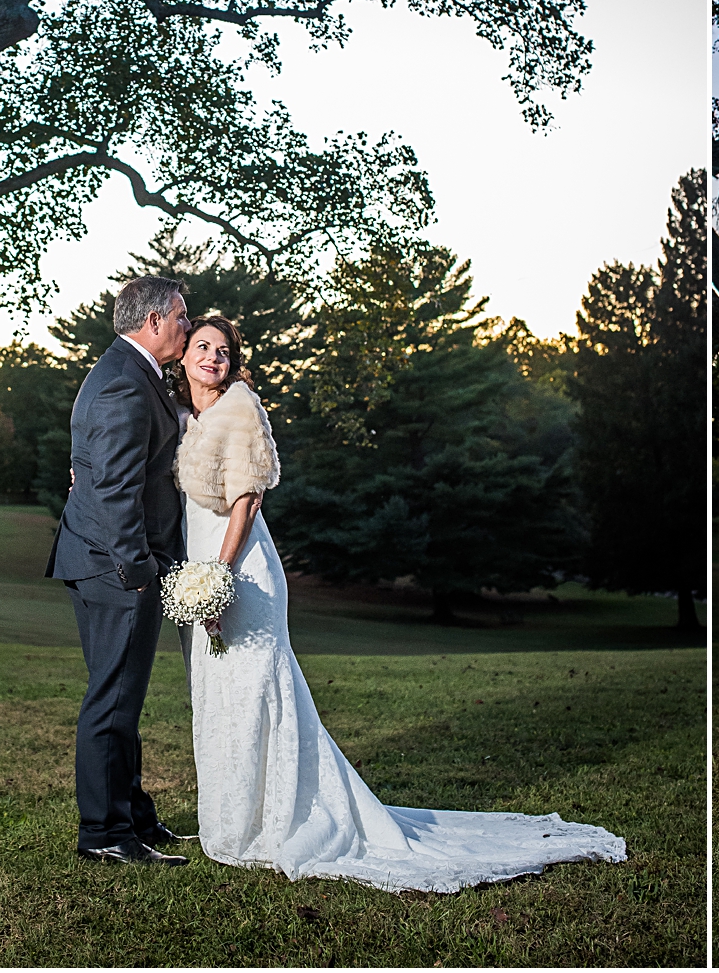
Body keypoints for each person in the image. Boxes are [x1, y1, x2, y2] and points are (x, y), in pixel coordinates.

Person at [171, 315, 626, 891]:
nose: (214, 357)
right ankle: (233, 819)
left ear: (235, 363)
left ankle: (285, 820)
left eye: (224, 350)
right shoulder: (188, 417)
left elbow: (247, 502)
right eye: (203, 347)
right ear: (183, 355)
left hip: (239, 569)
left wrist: (219, 578)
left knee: (260, 692)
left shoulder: (240, 409)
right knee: (218, 695)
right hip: (201, 565)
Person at [45, 275, 197, 865]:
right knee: (112, 701)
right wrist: (138, 571)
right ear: (154, 321)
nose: (187, 327)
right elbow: (113, 490)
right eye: (182, 318)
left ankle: (134, 818)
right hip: (116, 569)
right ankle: (104, 834)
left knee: (121, 699)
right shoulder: (124, 387)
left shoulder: (125, 373)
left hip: (98, 560)